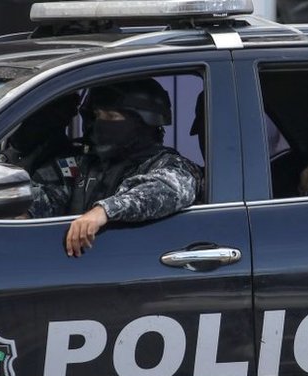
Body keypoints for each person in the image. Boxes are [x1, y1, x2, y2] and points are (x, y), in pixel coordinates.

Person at [49, 79, 201, 257]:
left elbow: (168, 189)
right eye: (98, 115)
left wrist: (103, 211)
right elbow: (53, 194)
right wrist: (26, 211)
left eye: (112, 117)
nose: (101, 123)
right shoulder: (85, 163)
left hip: (134, 264)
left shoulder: (170, 164)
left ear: (142, 123)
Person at [0, 94, 81, 219]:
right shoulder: (17, 152)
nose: (18, 126)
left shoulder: (65, 164)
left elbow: (23, 215)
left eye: (28, 118)